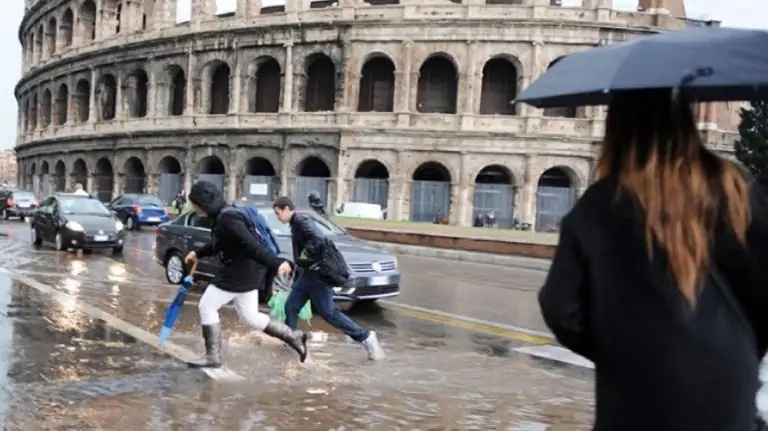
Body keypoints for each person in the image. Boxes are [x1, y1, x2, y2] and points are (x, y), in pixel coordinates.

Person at [538, 89, 768, 431]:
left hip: (636, 390)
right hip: (726, 379)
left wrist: (621, 351)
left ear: (618, 128)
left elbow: (562, 308)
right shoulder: (735, 188)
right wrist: (743, 349)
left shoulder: (601, 204)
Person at [183, 181, 308, 368]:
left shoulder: (228, 219)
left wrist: (277, 262)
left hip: (239, 272)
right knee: (250, 316)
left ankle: (212, 356)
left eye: (194, 203)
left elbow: (250, 245)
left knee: (206, 305)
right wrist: (198, 253)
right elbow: (222, 244)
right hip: (249, 271)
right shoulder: (223, 215)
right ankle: (293, 336)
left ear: (202, 202)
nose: (193, 207)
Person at [273, 196, 385, 360]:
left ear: (286, 209)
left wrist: (305, 255)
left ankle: (366, 337)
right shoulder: (296, 222)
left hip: (318, 274)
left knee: (328, 312)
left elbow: (318, 239)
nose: (277, 217)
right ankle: (291, 341)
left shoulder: (301, 221)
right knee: (291, 306)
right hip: (308, 274)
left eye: (278, 213)